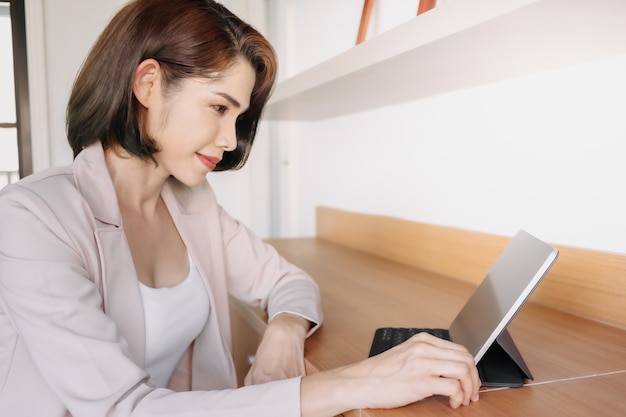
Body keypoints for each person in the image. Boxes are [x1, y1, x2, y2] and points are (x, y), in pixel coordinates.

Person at [0, 0, 480, 416]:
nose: (230, 141)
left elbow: (288, 281)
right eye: (218, 108)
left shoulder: (190, 203)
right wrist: (361, 381)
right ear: (147, 84)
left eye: (239, 116)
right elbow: (121, 410)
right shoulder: (30, 219)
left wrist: (285, 331)